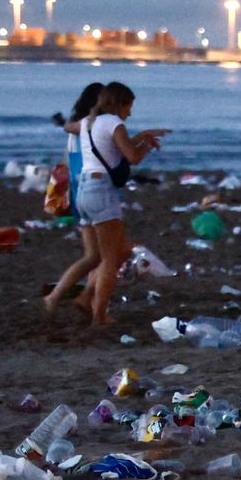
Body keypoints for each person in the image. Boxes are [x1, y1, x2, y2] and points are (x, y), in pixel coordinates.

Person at [74, 81, 167, 327]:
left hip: (83, 190)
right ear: (119, 103)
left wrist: (141, 136)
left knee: (109, 252)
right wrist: (147, 144)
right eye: (129, 107)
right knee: (110, 259)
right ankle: (99, 317)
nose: (130, 113)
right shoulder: (115, 123)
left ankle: (85, 298)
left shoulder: (88, 122)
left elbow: (109, 149)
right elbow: (132, 157)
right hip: (101, 191)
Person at [44, 82, 103, 313]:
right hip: (91, 193)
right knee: (97, 256)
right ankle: (58, 296)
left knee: (97, 255)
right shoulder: (91, 126)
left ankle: (86, 297)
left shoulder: (75, 129)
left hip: (79, 194)